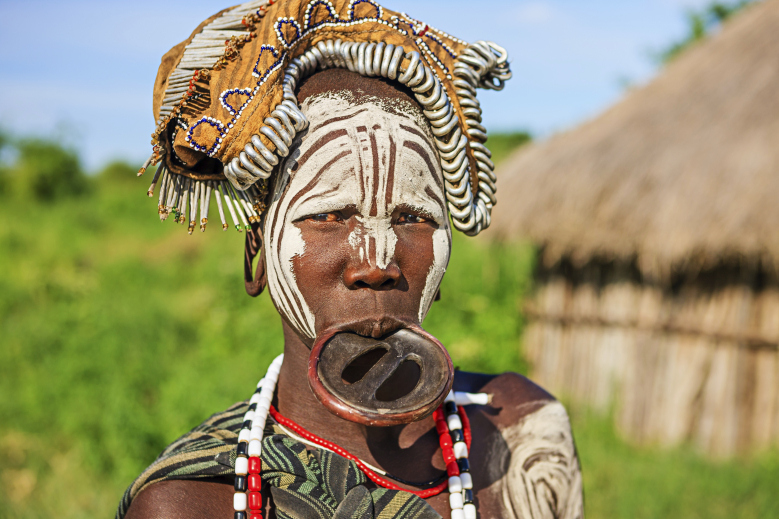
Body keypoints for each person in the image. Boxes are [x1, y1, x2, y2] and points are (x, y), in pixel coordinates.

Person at [120, 1, 583, 518]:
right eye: (330, 217)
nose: (377, 262)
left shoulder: (525, 438)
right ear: (258, 259)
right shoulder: (190, 504)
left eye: (413, 217)